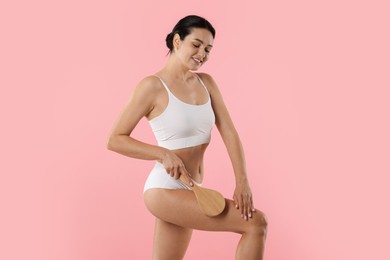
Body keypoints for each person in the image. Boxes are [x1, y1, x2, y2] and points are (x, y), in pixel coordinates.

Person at [107, 15, 267, 260]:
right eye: (197, 44)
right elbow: (115, 139)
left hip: (193, 189)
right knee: (256, 223)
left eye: (208, 49)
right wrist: (162, 153)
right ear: (177, 40)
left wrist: (242, 181)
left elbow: (230, 134)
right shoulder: (152, 86)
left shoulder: (207, 83)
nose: (202, 53)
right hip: (164, 189)